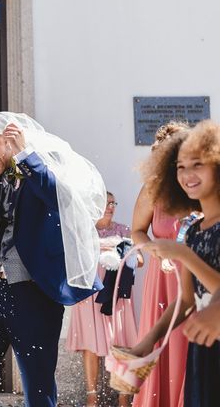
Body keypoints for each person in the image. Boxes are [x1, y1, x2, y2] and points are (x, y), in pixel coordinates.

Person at [0, 112, 105, 407]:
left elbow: (57, 198)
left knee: (38, 385)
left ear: (10, 141)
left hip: (32, 293)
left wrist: (26, 154)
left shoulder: (42, 169)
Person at [130, 120, 220, 407]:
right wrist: (149, 340)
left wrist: (182, 255)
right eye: (180, 167)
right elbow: (185, 300)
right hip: (203, 349)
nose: (186, 175)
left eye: (197, 164)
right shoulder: (194, 231)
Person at [131, 121, 190, 407]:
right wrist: (155, 251)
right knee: (165, 343)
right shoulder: (152, 190)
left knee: (192, 346)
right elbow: (137, 231)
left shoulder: (201, 188)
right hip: (164, 276)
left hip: (197, 275)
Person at [66, 191, 141, 407]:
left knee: (122, 344)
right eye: (106, 203)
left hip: (117, 294)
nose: (111, 207)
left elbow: (139, 260)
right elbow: (73, 261)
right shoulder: (83, 232)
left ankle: (124, 398)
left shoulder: (124, 231)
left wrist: (123, 253)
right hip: (89, 293)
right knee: (90, 344)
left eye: (113, 203)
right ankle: (92, 397)